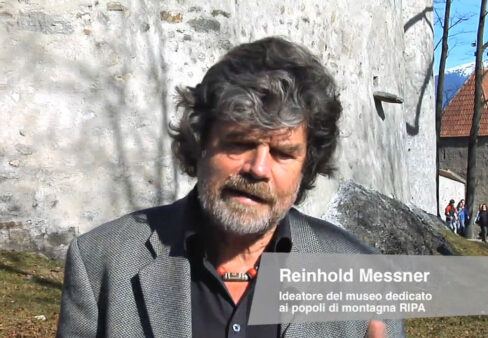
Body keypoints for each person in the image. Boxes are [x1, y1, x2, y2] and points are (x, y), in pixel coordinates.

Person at [57, 37, 402, 337]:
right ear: (200, 142)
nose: (258, 169)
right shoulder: (102, 262)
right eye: (239, 143)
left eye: (282, 153)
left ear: (306, 167)